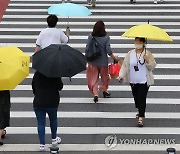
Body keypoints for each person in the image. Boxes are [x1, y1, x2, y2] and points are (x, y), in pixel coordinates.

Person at [119, 37, 157, 127]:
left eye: (139, 42)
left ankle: (141, 117)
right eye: (135, 42)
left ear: (143, 43)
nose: (136, 44)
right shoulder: (130, 53)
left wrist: (148, 60)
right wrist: (121, 75)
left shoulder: (147, 53)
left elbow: (152, 66)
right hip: (133, 80)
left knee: (142, 98)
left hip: (144, 80)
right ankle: (139, 109)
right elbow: (125, 65)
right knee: (136, 98)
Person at [85, 20, 118, 103]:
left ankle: (95, 94)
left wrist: (87, 56)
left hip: (93, 62)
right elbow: (108, 50)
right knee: (105, 77)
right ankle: (104, 89)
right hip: (103, 62)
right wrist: (114, 57)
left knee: (93, 78)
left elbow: (87, 48)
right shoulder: (106, 37)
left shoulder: (91, 36)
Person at [32, 71, 63, 151]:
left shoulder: (37, 73)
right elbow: (60, 87)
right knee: (53, 120)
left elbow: (33, 87)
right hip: (52, 102)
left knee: (41, 123)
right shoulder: (55, 73)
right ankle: (54, 139)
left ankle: (42, 145)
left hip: (38, 101)